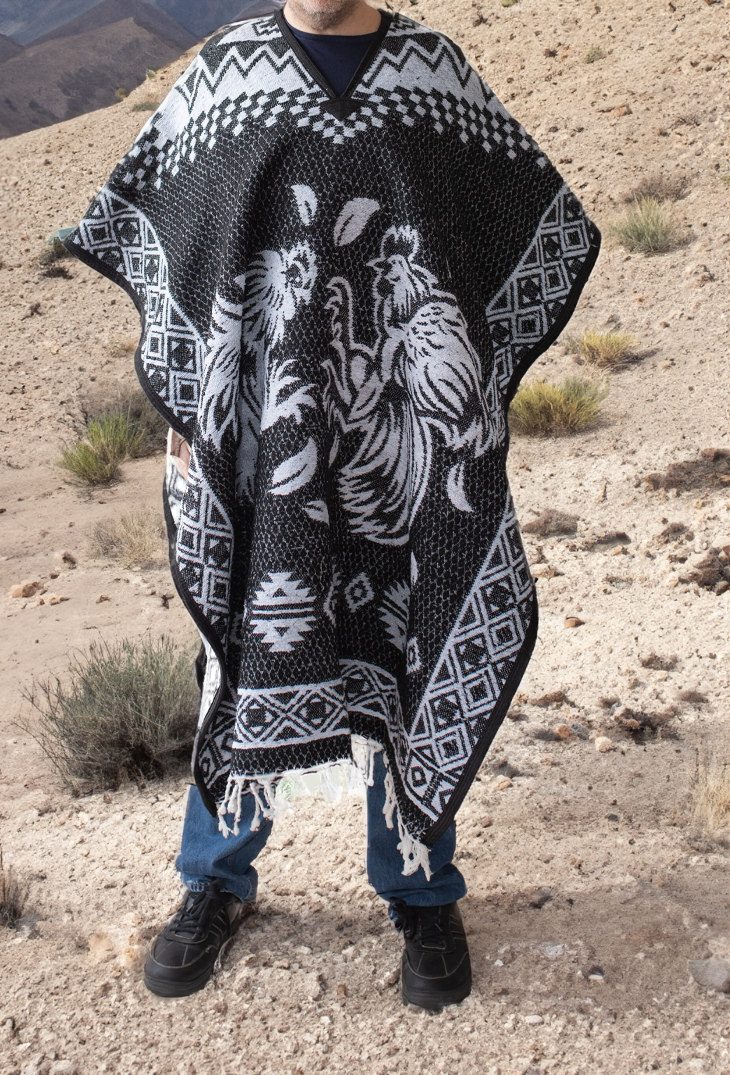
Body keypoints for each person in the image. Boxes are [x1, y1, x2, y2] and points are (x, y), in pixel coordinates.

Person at [64, 0, 599, 1010]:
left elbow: (521, 225)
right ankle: (213, 880)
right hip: (264, 430)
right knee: (243, 641)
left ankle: (420, 885)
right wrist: (190, 403)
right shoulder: (225, 75)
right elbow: (177, 239)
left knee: (412, 630)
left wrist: (470, 400)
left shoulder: (433, 77)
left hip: (403, 435)